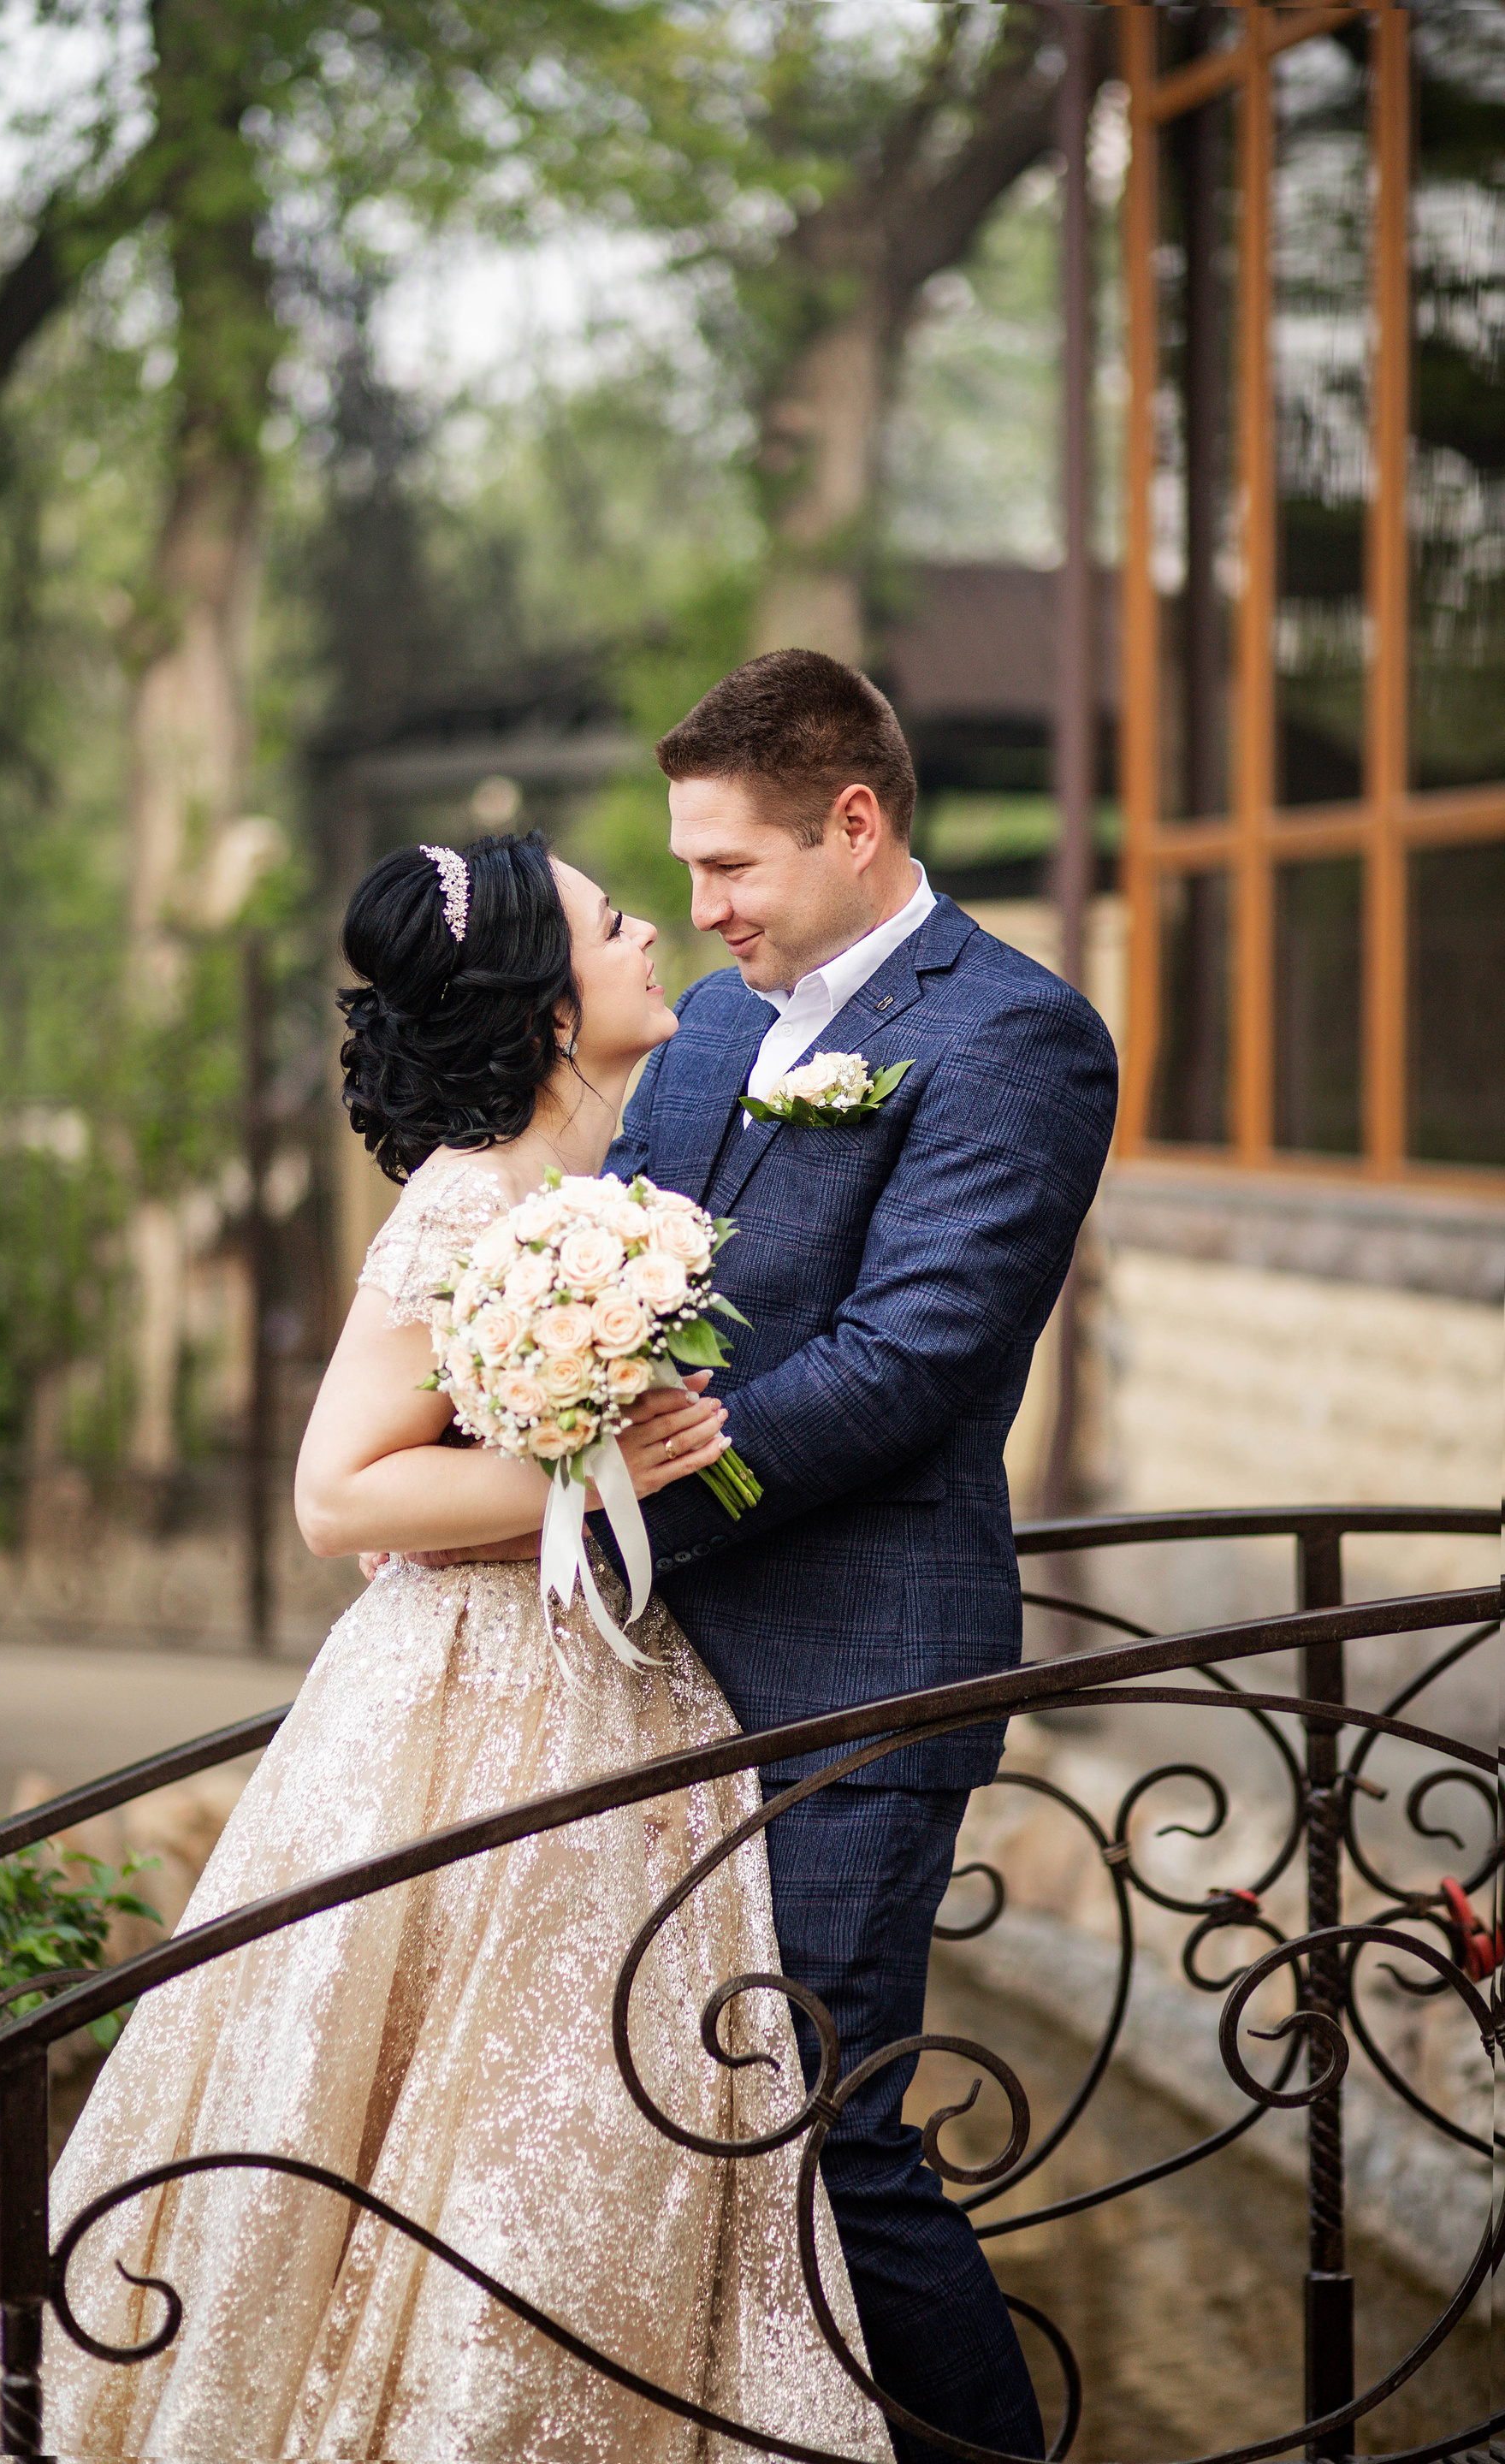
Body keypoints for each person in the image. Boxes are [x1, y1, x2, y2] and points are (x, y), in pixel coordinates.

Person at [0, 832, 893, 2462]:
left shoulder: (581, 1185)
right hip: (466, 1703)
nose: (647, 930)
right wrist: (594, 1473)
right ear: (546, 1000)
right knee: (436, 2105)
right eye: (610, 920)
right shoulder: (469, 1199)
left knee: (587, 2122)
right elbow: (337, 1493)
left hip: (597, 1682)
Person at [590, 649, 1120, 2463]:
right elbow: (606, 1286)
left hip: (865, 1667)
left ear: (856, 821)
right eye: (686, 870)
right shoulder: (708, 1029)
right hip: (652, 1670)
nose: (701, 908)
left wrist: (622, 1502)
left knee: (827, 2126)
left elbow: (913, 1361)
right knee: (672, 2112)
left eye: (730, 866)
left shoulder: (1018, 1034)